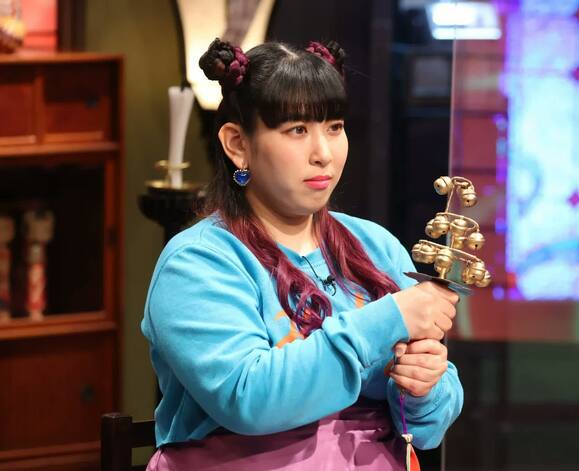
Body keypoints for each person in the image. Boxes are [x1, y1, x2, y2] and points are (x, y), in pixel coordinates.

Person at [141, 38, 463, 470]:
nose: (323, 154)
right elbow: (249, 399)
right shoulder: (197, 262)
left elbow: (427, 429)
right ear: (237, 143)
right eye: (297, 130)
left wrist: (424, 386)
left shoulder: (375, 246)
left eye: (334, 127)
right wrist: (388, 319)